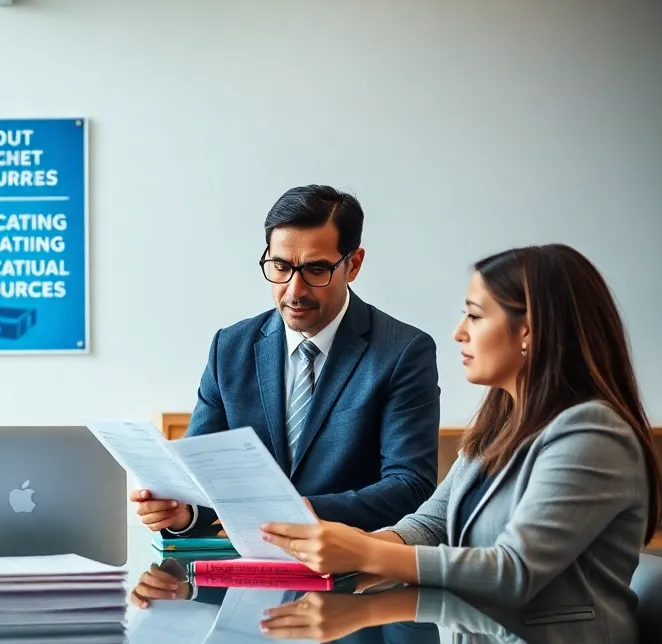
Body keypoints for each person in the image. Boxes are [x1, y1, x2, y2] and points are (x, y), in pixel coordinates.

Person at [257, 244, 662, 644]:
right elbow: (432, 522)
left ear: (529, 331)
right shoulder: (501, 421)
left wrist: (363, 553)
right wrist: (355, 552)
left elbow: (513, 572)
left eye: (474, 315)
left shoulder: (591, 432)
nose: (458, 332)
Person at [134, 185, 440, 538]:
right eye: (280, 267)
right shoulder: (230, 348)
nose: (294, 290)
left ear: (353, 265)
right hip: (246, 561)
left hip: (350, 560)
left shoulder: (403, 351)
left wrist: (306, 511)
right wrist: (183, 511)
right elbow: (200, 475)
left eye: (316, 269)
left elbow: (410, 485)